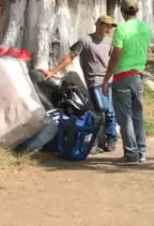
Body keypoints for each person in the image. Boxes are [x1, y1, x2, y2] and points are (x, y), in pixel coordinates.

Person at [44, 14, 117, 152]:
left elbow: (114, 60)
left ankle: (110, 140)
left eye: (110, 27)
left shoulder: (110, 42)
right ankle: (94, 140)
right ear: (99, 25)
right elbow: (70, 57)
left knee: (110, 112)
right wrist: (53, 72)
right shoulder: (85, 41)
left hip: (109, 80)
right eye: (106, 26)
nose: (109, 29)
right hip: (94, 82)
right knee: (101, 109)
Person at [102, 0, 153, 164]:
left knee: (125, 117)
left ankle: (131, 153)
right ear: (137, 11)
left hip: (123, 76)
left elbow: (115, 56)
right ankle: (141, 151)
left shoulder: (122, 29)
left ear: (122, 12)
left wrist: (106, 78)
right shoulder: (144, 28)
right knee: (137, 114)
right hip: (138, 76)